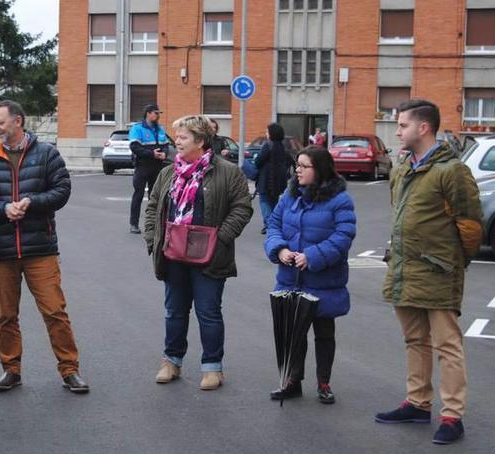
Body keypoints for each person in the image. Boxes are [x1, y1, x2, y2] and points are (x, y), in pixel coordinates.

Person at [375, 99, 483, 445]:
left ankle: (452, 416)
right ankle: (418, 403)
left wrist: (452, 262)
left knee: (447, 345)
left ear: (424, 128)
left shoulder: (452, 171)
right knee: (414, 340)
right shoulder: (402, 168)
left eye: (403, 125)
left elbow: (470, 226)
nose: (398, 131)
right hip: (405, 269)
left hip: (438, 272)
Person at [0, 100, 90, 394]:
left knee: (55, 312)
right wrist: (4, 210)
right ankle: (10, 370)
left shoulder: (46, 153)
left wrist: (31, 203)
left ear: (18, 121)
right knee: (6, 315)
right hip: (1, 249)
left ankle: (70, 370)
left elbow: (62, 191)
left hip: (41, 248)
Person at [144, 115, 253, 390]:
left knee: (208, 312)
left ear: (201, 141)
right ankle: (171, 361)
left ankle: (212, 368)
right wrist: (152, 240)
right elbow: (153, 206)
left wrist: (221, 239)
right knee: (174, 312)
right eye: (177, 137)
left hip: (210, 255)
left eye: (183, 137)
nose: (176, 142)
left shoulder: (228, 172)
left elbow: (242, 208)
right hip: (173, 254)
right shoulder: (168, 172)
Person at [264, 146, 356, 403]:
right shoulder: (289, 194)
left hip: (324, 280)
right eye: (297, 165)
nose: (298, 171)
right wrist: (279, 249)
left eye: (304, 166)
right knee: (294, 333)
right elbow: (273, 225)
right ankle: (293, 380)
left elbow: (343, 236)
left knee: (324, 333)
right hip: (290, 278)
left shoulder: (340, 200)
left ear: (320, 169)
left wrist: (313, 256)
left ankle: (323, 383)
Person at [128, 103, 169, 234]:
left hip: (157, 167)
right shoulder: (137, 128)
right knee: (138, 195)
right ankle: (134, 224)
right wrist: (152, 154)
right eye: (156, 113)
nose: (158, 116)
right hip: (143, 166)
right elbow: (135, 147)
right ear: (149, 113)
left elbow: (166, 145)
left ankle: (153, 223)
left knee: (155, 196)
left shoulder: (160, 129)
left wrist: (165, 153)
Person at [252, 123, 294, 233]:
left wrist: (257, 159)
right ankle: (275, 223)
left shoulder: (268, 145)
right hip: (279, 180)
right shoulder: (283, 146)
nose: (266, 134)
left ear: (272, 133)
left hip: (266, 179)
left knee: (264, 201)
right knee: (274, 202)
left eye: (267, 132)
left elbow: (258, 162)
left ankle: (270, 224)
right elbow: (290, 160)